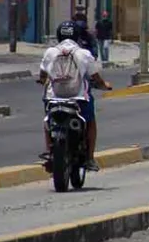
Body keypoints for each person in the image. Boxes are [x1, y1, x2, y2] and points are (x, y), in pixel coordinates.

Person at [37, 21, 112, 172]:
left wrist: (42, 80)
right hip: (78, 99)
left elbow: (43, 74)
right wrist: (105, 85)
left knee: (48, 122)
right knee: (90, 122)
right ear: (77, 36)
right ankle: (90, 158)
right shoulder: (83, 54)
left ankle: (49, 151)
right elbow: (95, 77)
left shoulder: (50, 52)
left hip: (54, 98)